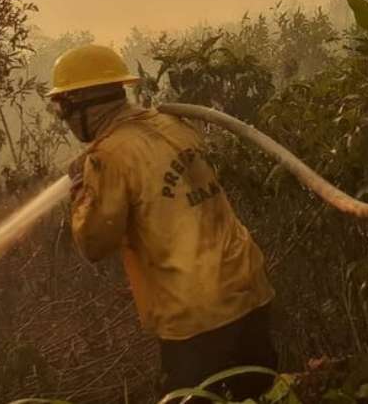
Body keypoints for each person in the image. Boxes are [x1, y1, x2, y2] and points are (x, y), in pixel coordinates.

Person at [48, 44, 277, 398]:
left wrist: (81, 193)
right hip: (246, 288)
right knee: (260, 395)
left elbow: (94, 243)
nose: (62, 117)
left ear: (82, 104)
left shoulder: (107, 157)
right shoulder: (172, 123)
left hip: (194, 316)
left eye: (62, 106)